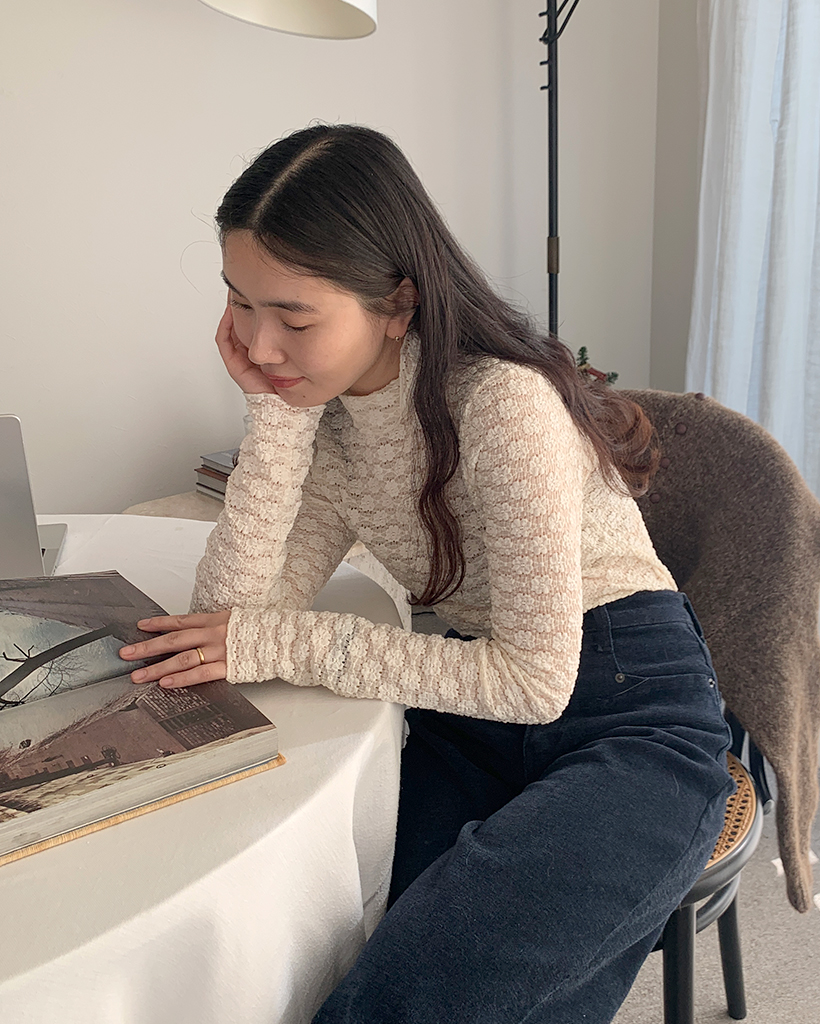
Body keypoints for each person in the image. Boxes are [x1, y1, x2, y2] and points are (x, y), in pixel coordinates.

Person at [118, 124, 734, 1024]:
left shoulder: (501, 403)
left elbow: (533, 680)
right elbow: (231, 620)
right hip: (477, 698)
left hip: (631, 701)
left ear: (397, 303)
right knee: (331, 937)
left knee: (421, 991)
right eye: (239, 304)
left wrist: (285, 642)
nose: (259, 342)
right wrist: (273, 415)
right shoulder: (329, 425)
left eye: (294, 318)